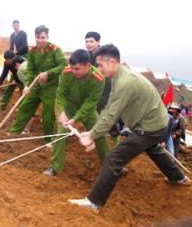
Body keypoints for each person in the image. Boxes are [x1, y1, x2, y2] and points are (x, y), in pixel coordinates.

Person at [69, 44, 190, 210]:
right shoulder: (118, 78)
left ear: (112, 62)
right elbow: (108, 108)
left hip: (150, 126)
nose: (98, 68)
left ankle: (94, 202)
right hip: (155, 122)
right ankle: (178, 178)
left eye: (100, 65)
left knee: (114, 158)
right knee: (153, 148)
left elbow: (112, 114)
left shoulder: (124, 82)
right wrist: (93, 132)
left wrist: (91, 136)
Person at [43, 49, 109, 176]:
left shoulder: (99, 78)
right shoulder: (67, 72)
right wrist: (62, 112)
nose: (73, 71)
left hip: (88, 111)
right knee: (60, 135)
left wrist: (76, 118)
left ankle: (109, 166)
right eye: (72, 68)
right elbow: (60, 94)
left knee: (100, 135)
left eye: (77, 69)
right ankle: (55, 167)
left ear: (88, 65)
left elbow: (91, 102)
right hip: (69, 108)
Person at [8, 25, 66, 141]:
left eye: (43, 37)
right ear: (35, 37)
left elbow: (63, 65)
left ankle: (47, 140)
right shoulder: (33, 51)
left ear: (47, 37)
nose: (40, 40)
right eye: (38, 37)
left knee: (48, 114)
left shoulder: (55, 50)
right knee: (25, 106)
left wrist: (48, 73)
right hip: (36, 85)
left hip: (50, 88)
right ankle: (15, 132)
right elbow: (30, 69)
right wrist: (27, 85)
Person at [85, 31, 120, 145]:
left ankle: (115, 139)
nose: (88, 44)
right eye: (86, 41)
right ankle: (94, 136)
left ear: (98, 42)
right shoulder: (88, 55)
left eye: (91, 41)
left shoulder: (104, 54)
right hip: (94, 86)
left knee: (106, 111)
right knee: (93, 110)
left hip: (106, 86)